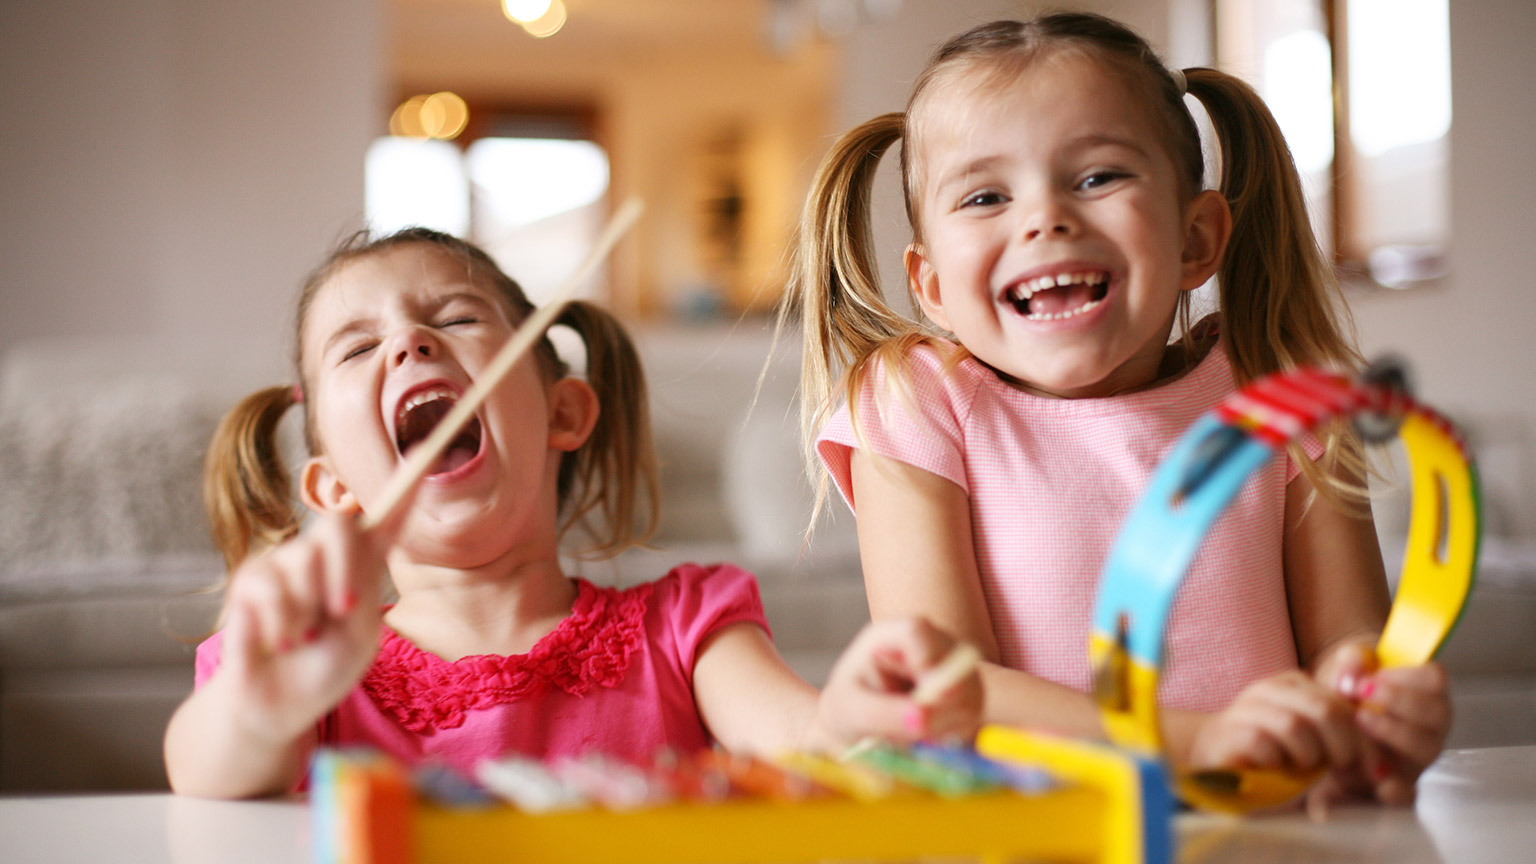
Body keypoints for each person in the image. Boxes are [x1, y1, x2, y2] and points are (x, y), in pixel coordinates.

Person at [782, 12, 1447, 804]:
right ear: (932, 289)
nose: (1045, 218)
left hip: (1274, 830)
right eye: (987, 195)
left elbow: (1348, 637)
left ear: (1195, 239)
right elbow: (947, 690)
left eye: (1098, 177)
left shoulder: (1280, 389)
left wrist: (1372, 699)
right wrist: (1197, 742)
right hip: (1041, 838)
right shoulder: (915, 403)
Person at [164, 227, 980, 799]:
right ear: (335, 488)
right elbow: (204, 771)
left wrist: (853, 716)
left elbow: (802, 735)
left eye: (453, 318)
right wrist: (257, 706)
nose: (410, 342)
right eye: (356, 346)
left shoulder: (687, 626)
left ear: (563, 413)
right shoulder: (295, 666)